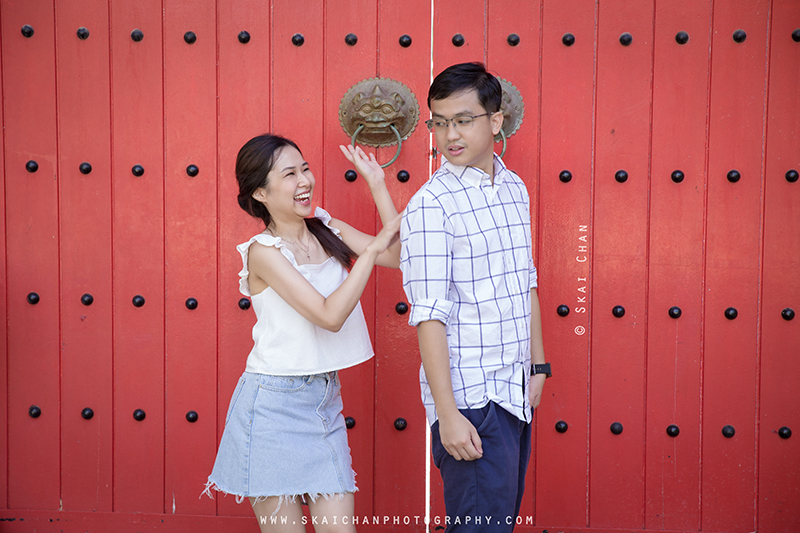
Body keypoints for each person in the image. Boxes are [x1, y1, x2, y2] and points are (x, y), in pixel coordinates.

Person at [203, 134, 400, 533]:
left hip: (322, 400)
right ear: (260, 192)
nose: (305, 180)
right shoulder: (263, 253)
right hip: (271, 409)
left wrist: (377, 184)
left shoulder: (326, 229)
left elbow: (398, 256)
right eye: (290, 174)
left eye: (305, 168)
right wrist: (373, 249)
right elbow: (329, 316)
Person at [399, 62, 550, 532]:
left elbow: (524, 280)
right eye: (439, 122)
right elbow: (428, 316)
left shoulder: (513, 187)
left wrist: (538, 365)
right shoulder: (431, 204)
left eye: (463, 120)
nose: (449, 135)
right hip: (470, 402)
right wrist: (447, 415)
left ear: (495, 121)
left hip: (514, 391)